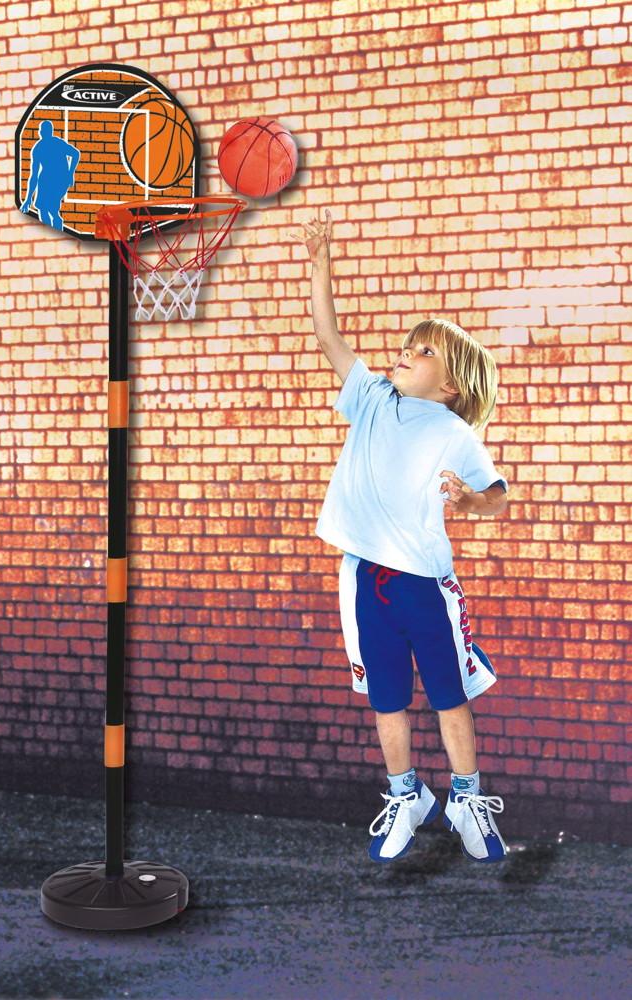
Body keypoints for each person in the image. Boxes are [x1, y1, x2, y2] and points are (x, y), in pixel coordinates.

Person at [292, 209, 509, 864]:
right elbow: (327, 334)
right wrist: (321, 258)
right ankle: (405, 795)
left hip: (421, 581)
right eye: (407, 344)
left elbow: (496, 498)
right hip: (363, 576)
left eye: (421, 352)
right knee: (385, 697)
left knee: (447, 695)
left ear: (447, 387)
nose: (404, 352)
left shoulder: (451, 431)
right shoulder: (370, 398)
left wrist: (471, 499)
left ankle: (466, 798)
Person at [21, 120, 81, 232]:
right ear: (40, 132)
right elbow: (34, 175)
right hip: (45, 179)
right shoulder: (38, 148)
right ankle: (50, 231)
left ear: (50, 132)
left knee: (52, 209)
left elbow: (75, 153)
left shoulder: (58, 143)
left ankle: (57, 228)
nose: (42, 133)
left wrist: (70, 173)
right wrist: (28, 198)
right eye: (42, 130)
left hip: (60, 179)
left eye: (45, 130)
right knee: (42, 208)